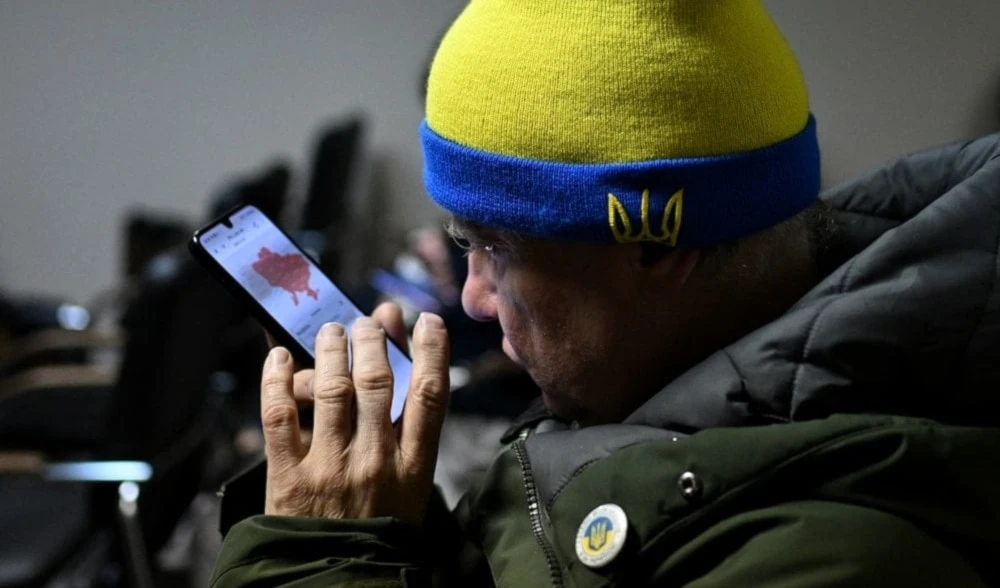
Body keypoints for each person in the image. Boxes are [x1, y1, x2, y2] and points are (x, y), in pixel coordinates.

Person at [211, 1, 1000, 585]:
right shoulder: (632, 391)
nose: (476, 298)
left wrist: (318, 559)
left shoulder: (838, 558)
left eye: (493, 248)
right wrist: (382, 517)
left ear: (657, 245)